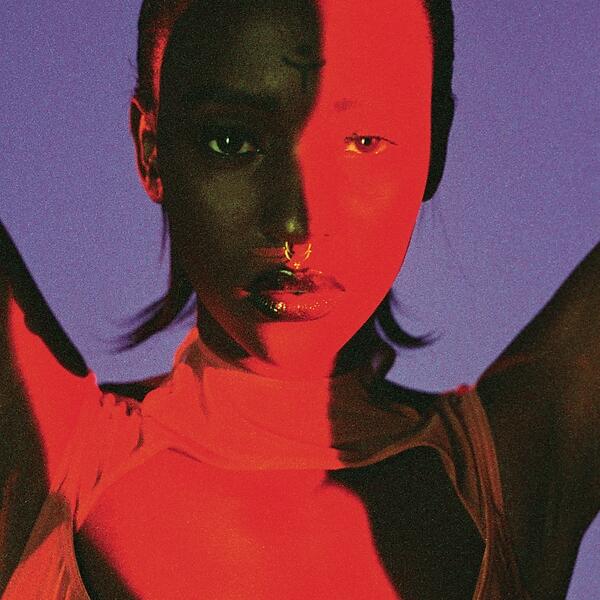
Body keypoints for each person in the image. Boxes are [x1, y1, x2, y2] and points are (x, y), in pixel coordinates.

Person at [1, 0, 597, 598]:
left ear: (434, 146)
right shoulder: (47, 458)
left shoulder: (518, 467)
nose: (297, 222)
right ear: (151, 149)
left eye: (364, 141)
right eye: (232, 140)